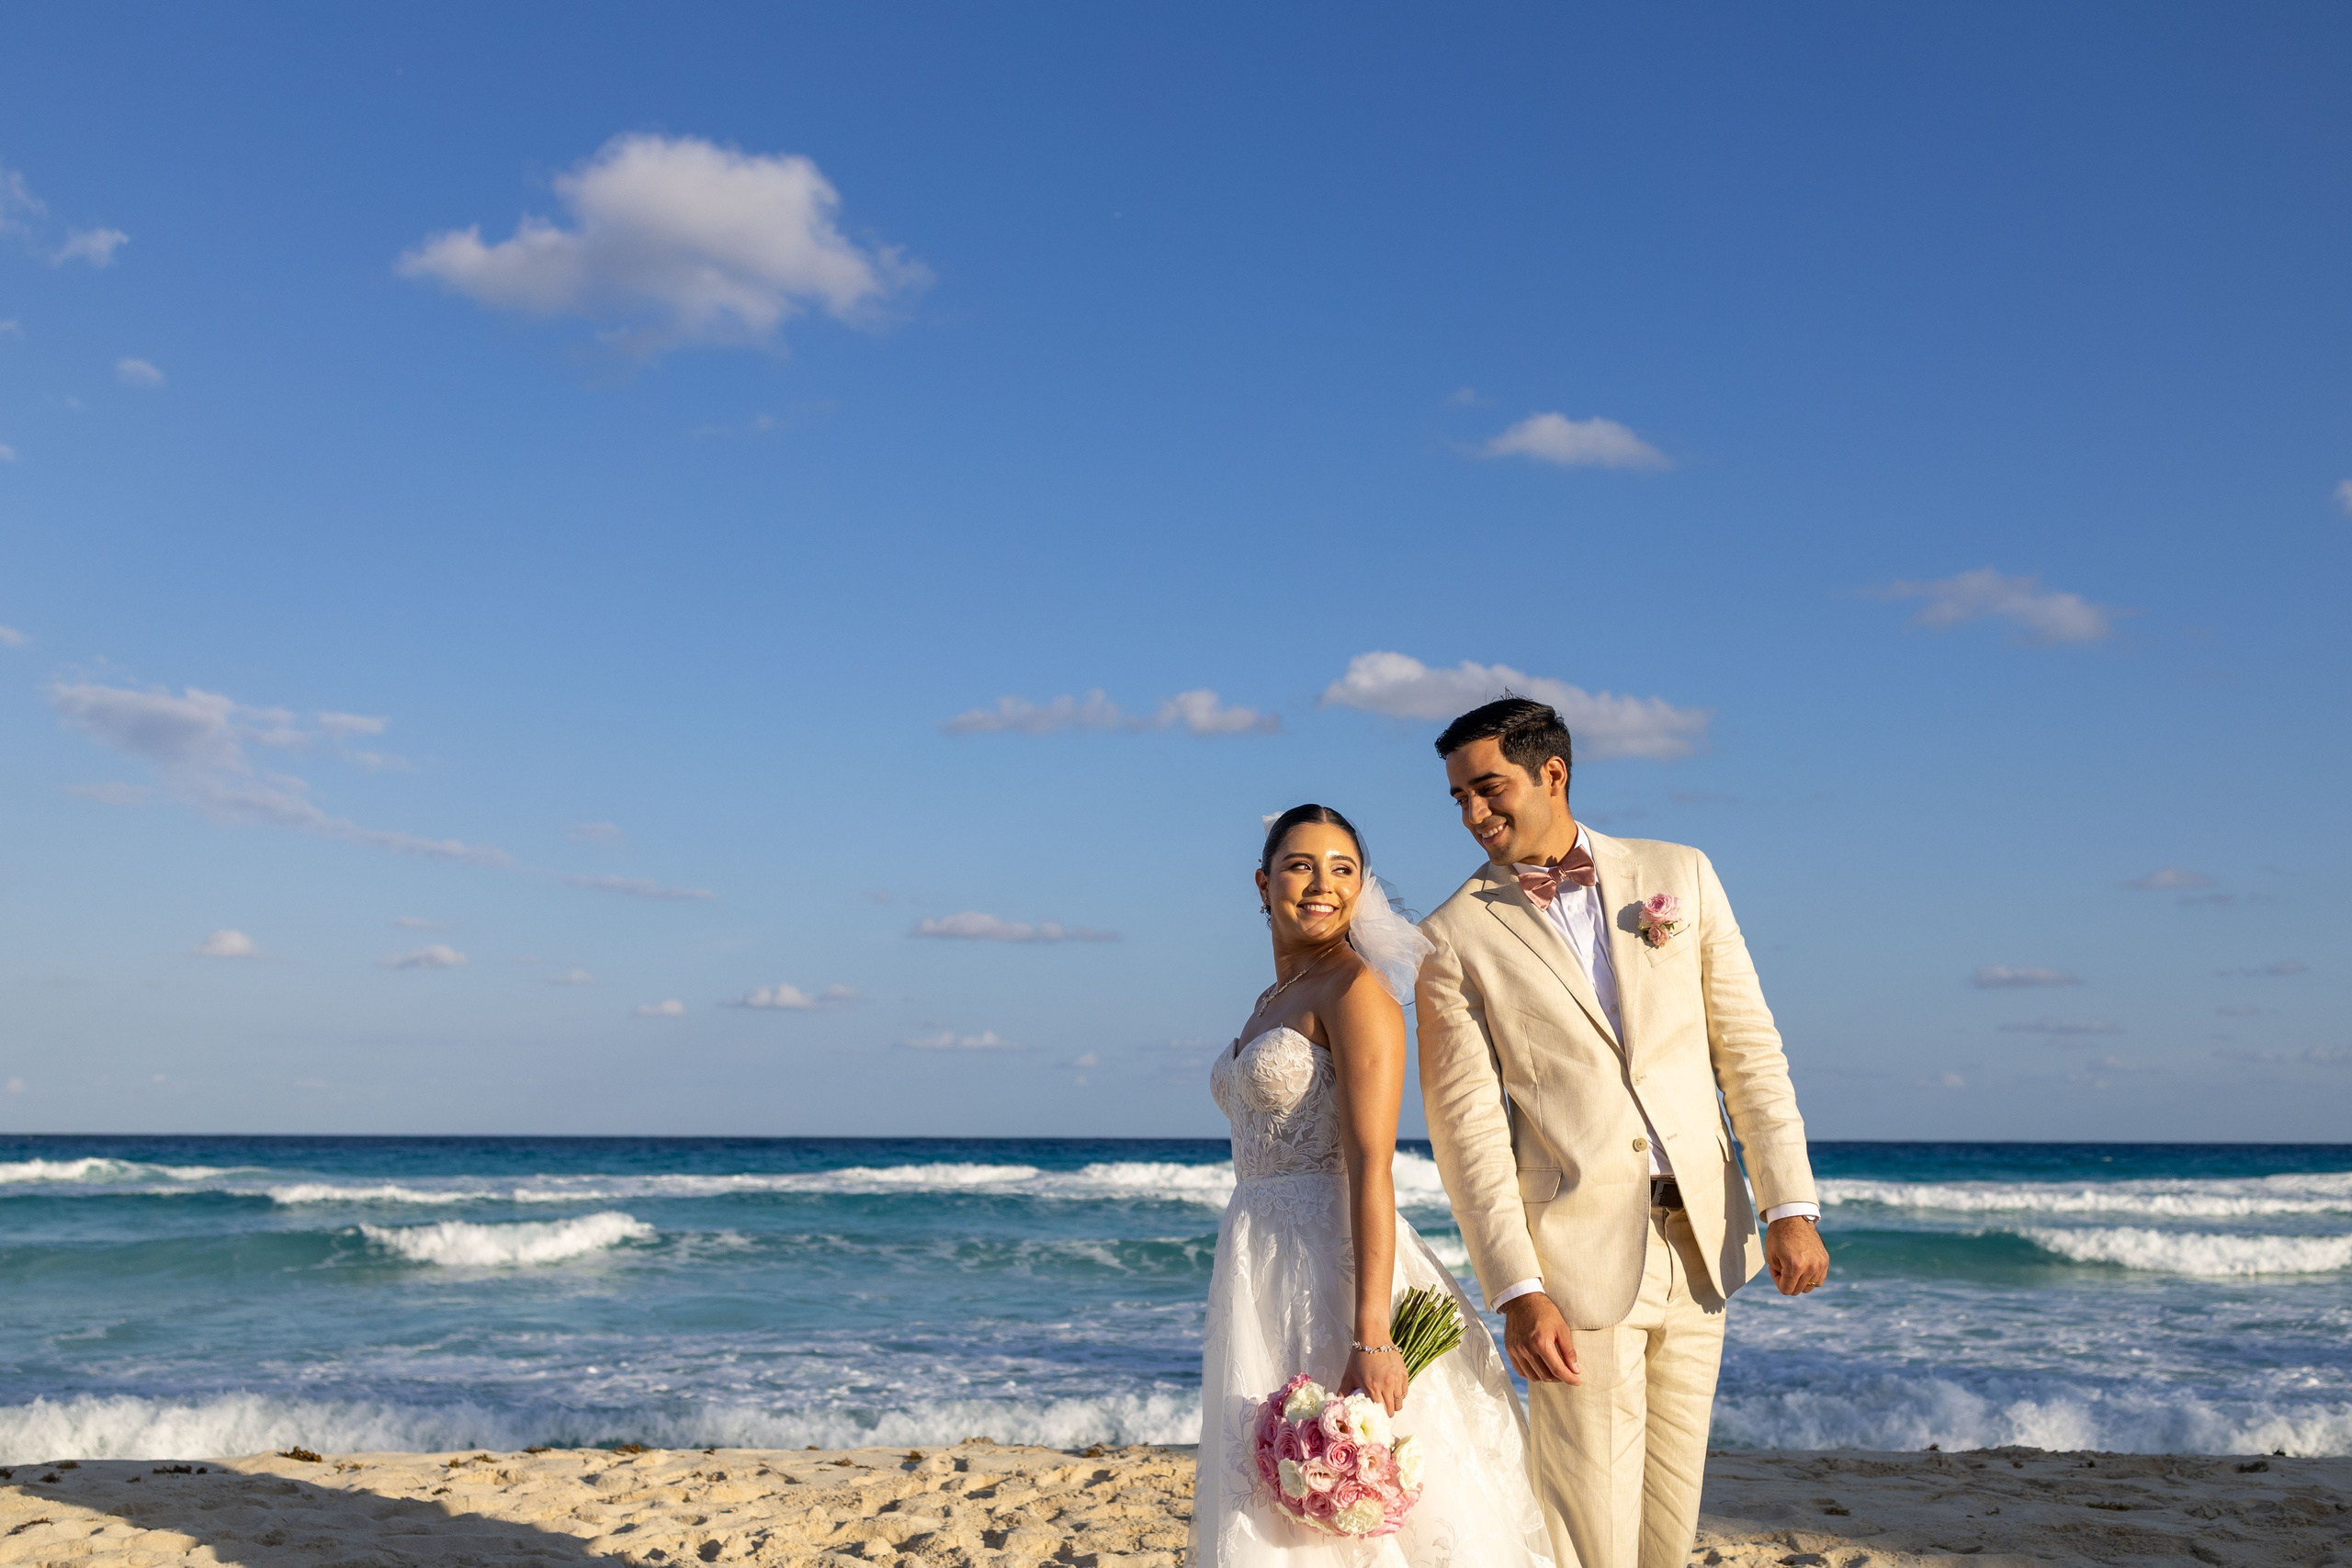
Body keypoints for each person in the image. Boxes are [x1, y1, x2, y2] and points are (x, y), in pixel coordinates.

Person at [1415, 698, 1830, 1568]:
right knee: (1589, 1529)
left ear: (1553, 773)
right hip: (1574, 1265)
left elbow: (1747, 1048)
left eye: (1488, 789)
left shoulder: (1680, 873)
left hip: (1703, 1245)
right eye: (1457, 798)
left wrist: (1789, 1202)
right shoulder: (1450, 937)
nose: (1473, 814)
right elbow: (1468, 1132)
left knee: (1668, 1523)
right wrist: (1517, 1287)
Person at [1191, 804, 1555, 1568]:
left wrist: (1373, 1335)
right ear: (1264, 882)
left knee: (1346, 1493)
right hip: (1257, 1257)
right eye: (1300, 865)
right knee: (1270, 1486)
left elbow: (1371, 1166)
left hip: (1331, 1265)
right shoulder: (1271, 1000)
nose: (1322, 884)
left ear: (1362, 887)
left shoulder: (1355, 993)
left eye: (1343, 868)